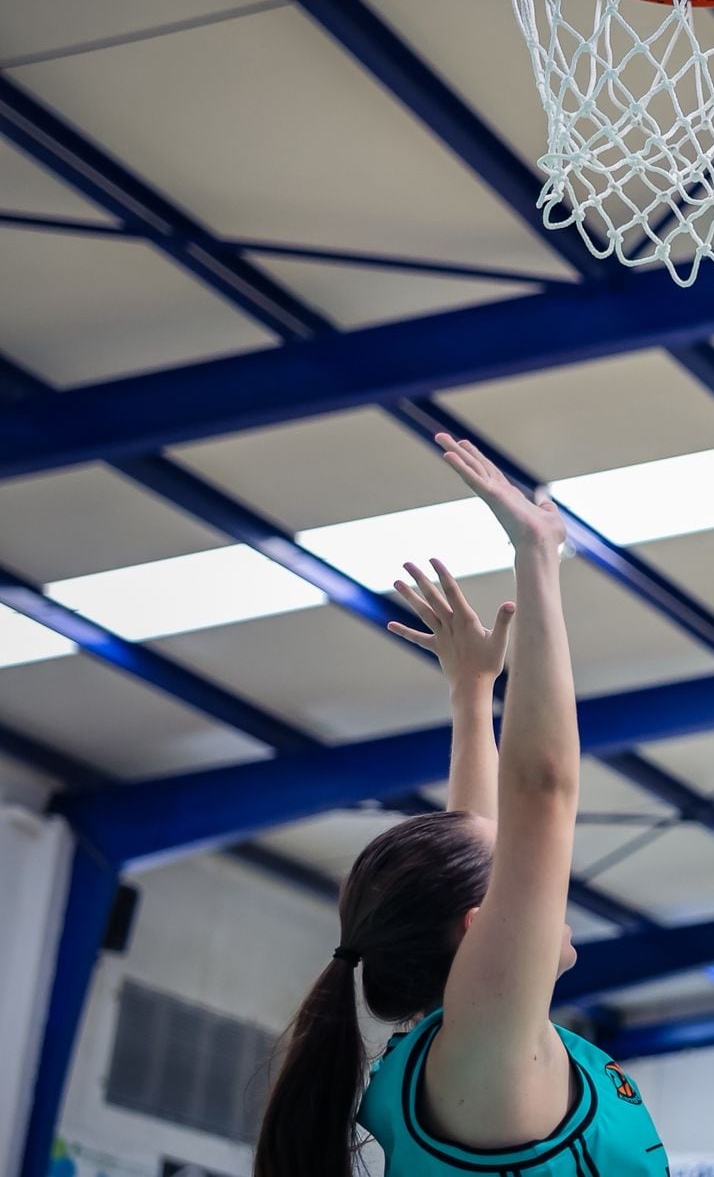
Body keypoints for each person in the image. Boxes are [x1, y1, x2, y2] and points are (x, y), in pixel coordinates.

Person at [254, 434, 668, 1177]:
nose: (528, 870)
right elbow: (541, 791)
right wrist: (536, 556)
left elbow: (490, 833)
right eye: (507, 867)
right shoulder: (487, 1050)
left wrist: (473, 693)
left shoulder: (463, 1041)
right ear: (480, 930)